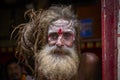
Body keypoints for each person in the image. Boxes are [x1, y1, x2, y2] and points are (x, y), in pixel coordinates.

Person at [14, 5, 101, 80]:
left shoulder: (88, 63)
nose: (59, 43)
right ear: (46, 40)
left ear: (75, 40)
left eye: (67, 36)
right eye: (54, 36)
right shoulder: (43, 67)